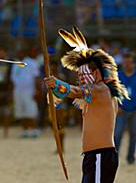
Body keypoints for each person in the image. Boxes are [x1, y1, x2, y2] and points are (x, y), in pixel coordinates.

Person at [44, 26, 129, 182]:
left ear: (96, 73)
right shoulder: (95, 94)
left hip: (100, 156)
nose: (81, 79)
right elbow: (72, 91)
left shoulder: (101, 90)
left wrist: (56, 84)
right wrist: (55, 88)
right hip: (94, 157)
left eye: (84, 75)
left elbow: (76, 91)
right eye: (79, 75)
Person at [11, 47, 41, 138]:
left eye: (20, 52)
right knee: (21, 112)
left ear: (24, 53)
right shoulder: (15, 64)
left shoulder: (32, 63)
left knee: (31, 111)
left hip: (29, 91)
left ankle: (34, 130)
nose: (18, 54)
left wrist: (37, 90)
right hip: (18, 91)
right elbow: (12, 80)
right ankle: (25, 130)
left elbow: (37, 77)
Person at [114, 52, 136, 164]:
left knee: (134, 134)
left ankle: (130, 157)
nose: (127, 65)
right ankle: (114, 158)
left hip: (134, 110)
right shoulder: (118, 76)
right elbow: (113, 93)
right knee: (117, 134)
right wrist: (117, 106)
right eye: (125, 63)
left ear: (133, 64)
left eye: (129, 63)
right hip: (121, 110)